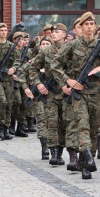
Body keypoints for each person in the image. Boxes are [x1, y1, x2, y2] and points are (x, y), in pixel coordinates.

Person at [51, 12, 100, 180]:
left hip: (96, 93)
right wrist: (67, 81)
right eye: (85, 24)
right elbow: (55, 64)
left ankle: (86, 161)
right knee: (83, 125)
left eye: (91, 24)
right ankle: (87, 155)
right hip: (79, 94)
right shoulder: (72, 45)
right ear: (80, 27)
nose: (88, 27)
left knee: (94, 128)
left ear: (95, 26)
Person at [29, 23, 71, 166]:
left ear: (64, 34)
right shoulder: (46, 52)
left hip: (66, 93)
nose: (53, 34)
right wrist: (39, 84)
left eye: (57, 31)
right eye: (52, 32)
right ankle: (53, 154)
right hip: (51, 94)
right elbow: (33, 68)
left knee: (64, 124)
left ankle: (60, 153)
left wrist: (68, 84)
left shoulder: (70, 50)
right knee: (51, 123)